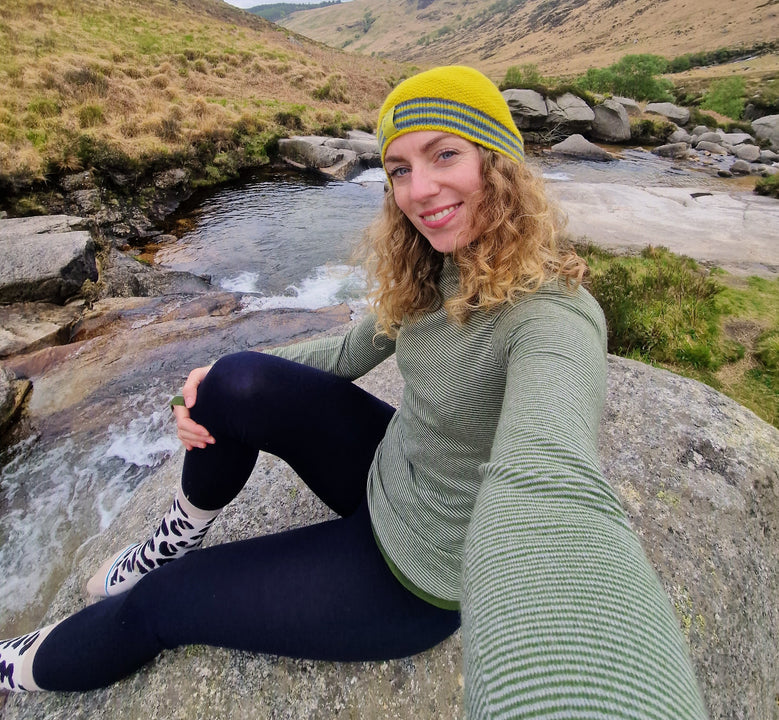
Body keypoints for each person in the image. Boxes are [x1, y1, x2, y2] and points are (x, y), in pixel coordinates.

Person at [0, 66, 708, 718]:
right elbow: (345, 349)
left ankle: (22, 666)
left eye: (443, 156)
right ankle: (178, 530)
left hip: (416, 572)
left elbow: (548, 482)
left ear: (499, 164)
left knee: (159, 606)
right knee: (235, 378)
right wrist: (205, 382)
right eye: (399, 169)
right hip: (382, 471)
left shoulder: (553, 319)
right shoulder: (439, 267)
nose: (418, 190)